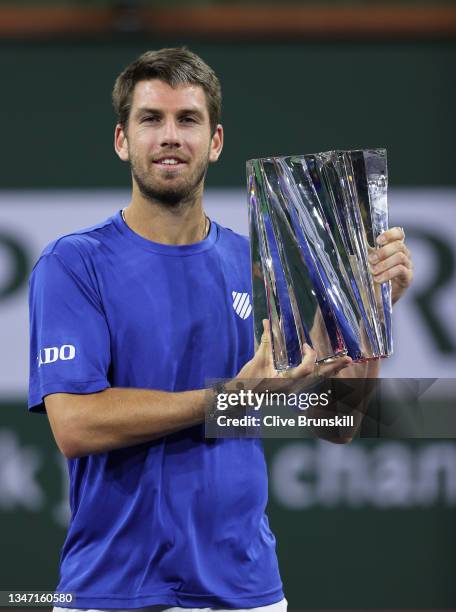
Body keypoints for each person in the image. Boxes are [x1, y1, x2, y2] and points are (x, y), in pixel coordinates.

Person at [28, 48, 413, 612]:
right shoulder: (73, 264)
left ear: (215, 142)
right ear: (121, 140)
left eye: (188, 120)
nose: (169, 136)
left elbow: (337, 424)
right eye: (150, 119)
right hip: (114, 591)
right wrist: (231, 398)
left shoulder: (251, 262)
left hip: (248, 591)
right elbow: (76, 425)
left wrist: (366, 313)